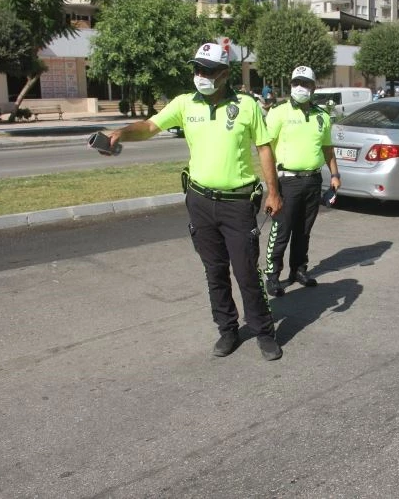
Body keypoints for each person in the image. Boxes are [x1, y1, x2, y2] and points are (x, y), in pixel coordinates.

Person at [104, 43, 285, 361]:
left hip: (238, 203)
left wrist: (274, 191)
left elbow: (264, 148)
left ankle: (263, 331)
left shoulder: (246, 106)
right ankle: (227, 330)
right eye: (197, 69)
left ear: (225, 74)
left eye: (207, 70)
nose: (200, 75)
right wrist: (121, 133)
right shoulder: (185, 104)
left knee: (245, 273)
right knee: (214, 271)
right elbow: (149, 127)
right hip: (199, 201)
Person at [263, 66, 341, 297]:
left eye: (305, 84)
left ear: (313, 88)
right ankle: (272, 275)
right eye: (296, 83)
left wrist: (335, 175)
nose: (300, 88)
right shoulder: (278, 113)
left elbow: (327, 149)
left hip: (312, 181)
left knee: (304, 230)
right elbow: (265, 149)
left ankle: (298, 269)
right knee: (281, 230)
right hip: (287, 181)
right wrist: (271, 188)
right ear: (290, 85)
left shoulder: (322, 116)